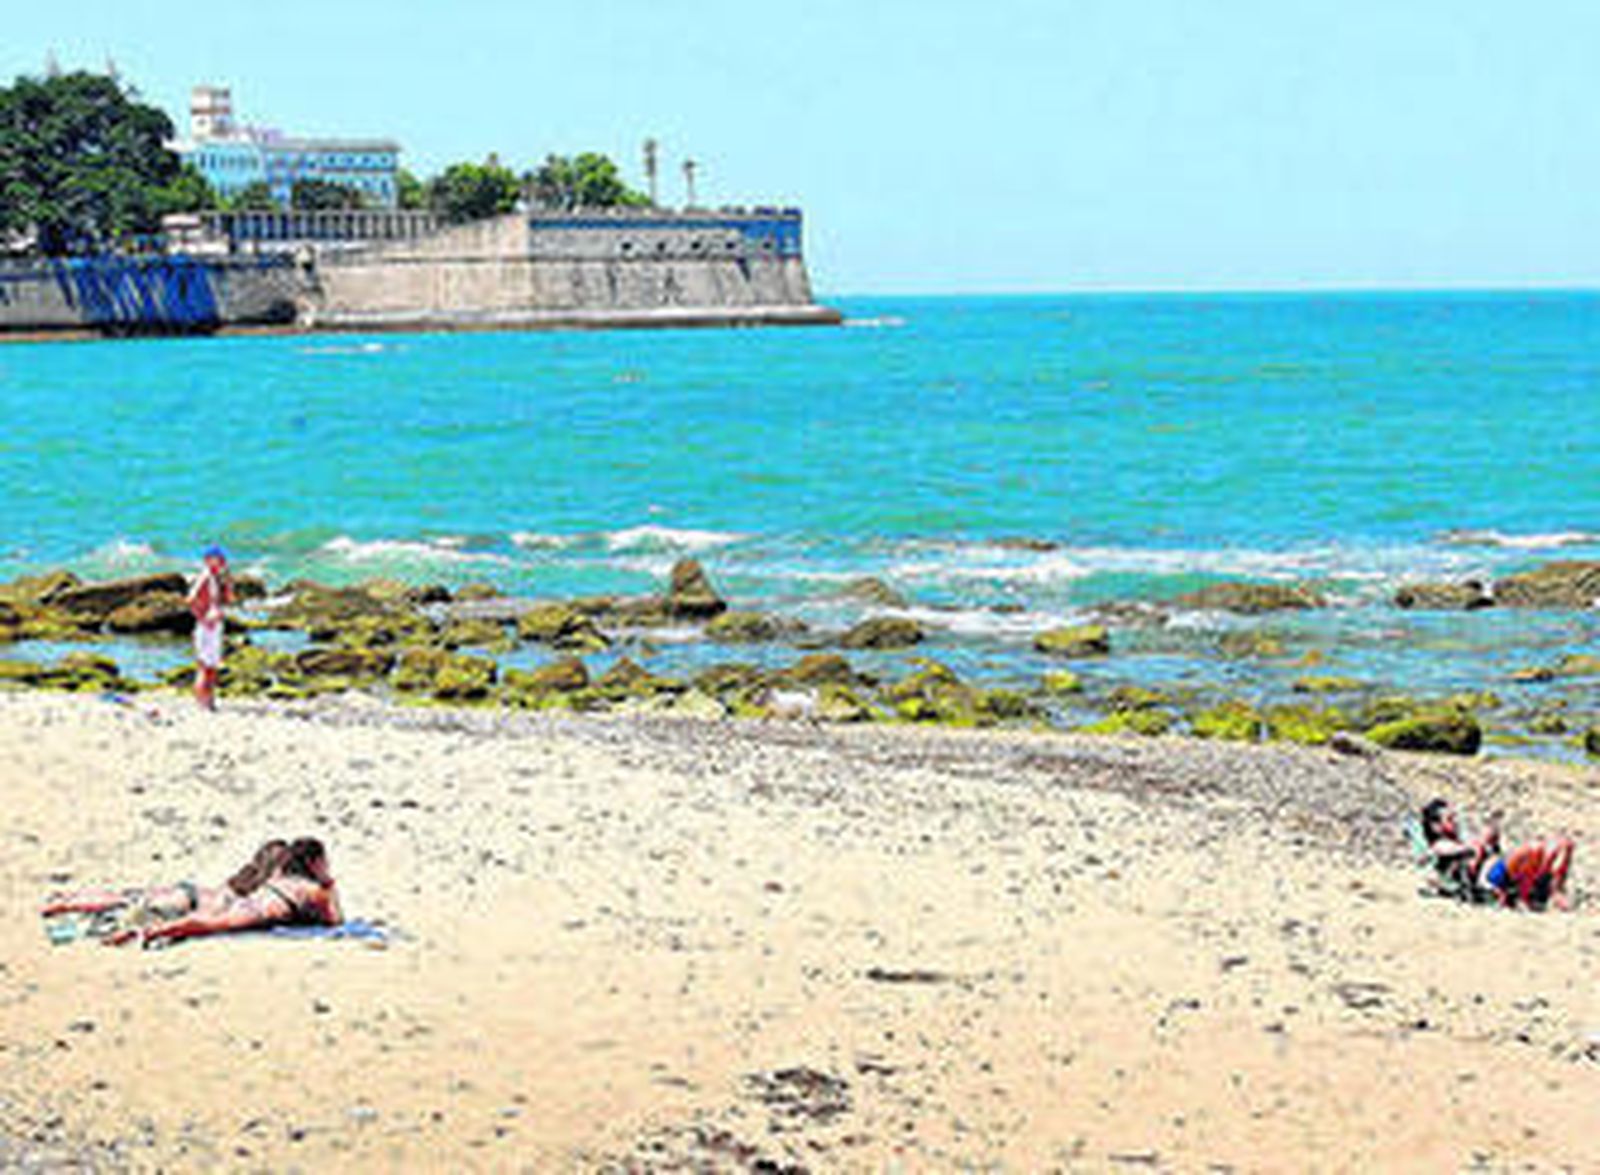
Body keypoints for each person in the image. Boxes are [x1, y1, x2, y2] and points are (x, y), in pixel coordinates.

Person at [41, 837, 342, 947]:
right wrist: (330, 885)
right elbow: (335, 923)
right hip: (228, 911)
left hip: (196, 892)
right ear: (314, 862)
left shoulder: (253, 880)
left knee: (129, 897)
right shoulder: (312, 889)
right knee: (203, 924)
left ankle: (67, 903)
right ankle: (148, 933)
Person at [1419, 798, 1575, 911]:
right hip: (1493, 878)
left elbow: (1480, 846)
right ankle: (1524, 897)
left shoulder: (1460, 838)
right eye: (1450, 819)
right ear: (1436, 826)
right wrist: (1481, 841)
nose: (1455, 822)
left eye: (1454, 817)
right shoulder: (1439, 846)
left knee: (1563, 843)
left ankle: (1556, 891)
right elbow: (1469, 854)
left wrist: (1489, 836)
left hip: (1504, 868)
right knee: (1533, 848)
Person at [187, 544, 235, 710]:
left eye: (222, 559)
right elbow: (191, 599)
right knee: (204, 666)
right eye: (217, 559)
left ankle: (209, 700)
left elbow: (230, 600)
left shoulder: (217, 578)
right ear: (207, 560)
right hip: (206, 626)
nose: (221, 562)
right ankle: (202, 702)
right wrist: (202, 617)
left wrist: (228, 582)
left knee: (212, 666)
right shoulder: (205, 576)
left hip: (214, 626)